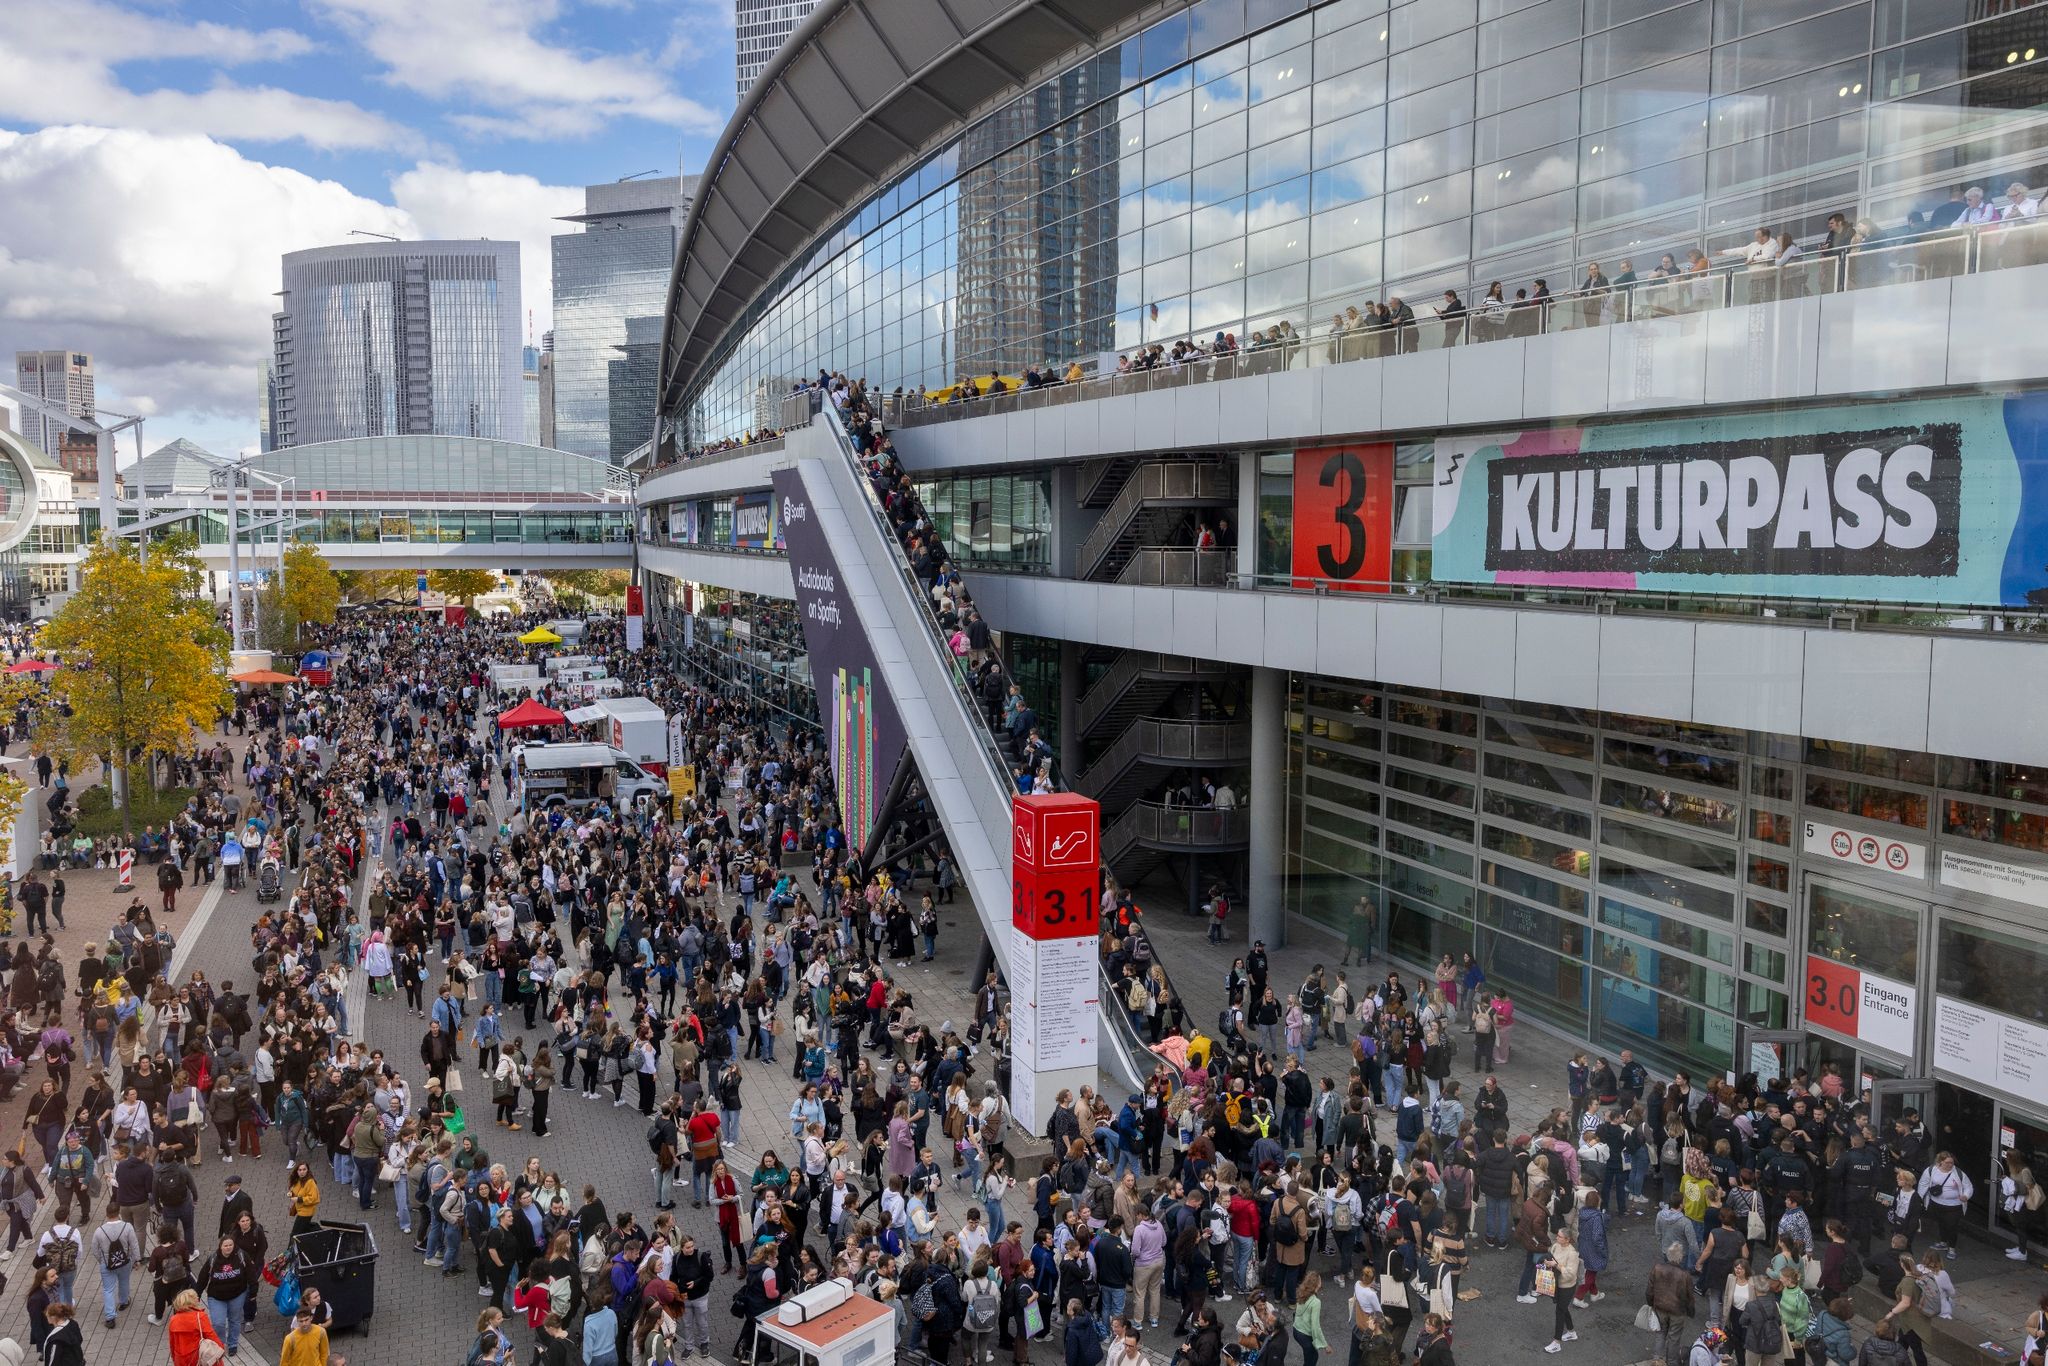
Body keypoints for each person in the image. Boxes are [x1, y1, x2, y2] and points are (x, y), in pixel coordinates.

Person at [1542, 1226, 1582, 1353]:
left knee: (1559, 1311)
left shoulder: (1572, 1254)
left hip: (1567, 1287)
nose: (1556, 1237)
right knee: (1563, 1308)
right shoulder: (1556, 1246)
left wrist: (1557, 1265)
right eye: (1558, 1235)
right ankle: (1571, 1332)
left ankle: (1556, 1342)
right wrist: (1547, 1262)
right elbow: (1550, 1258)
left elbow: (1571, 1274)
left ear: (1567, 1239)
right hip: (1556, 1283)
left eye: (1559, 1236)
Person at [165, 1285, 226, 1366]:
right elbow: (211, 1335)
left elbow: (172, 1342)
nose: (198, 1299)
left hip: (181, 1359)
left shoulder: (174, 1319)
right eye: (196, 1298)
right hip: (198, 1356)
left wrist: (174, 1358)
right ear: (192, 1301)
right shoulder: (199, 1317)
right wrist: (221, 1349)